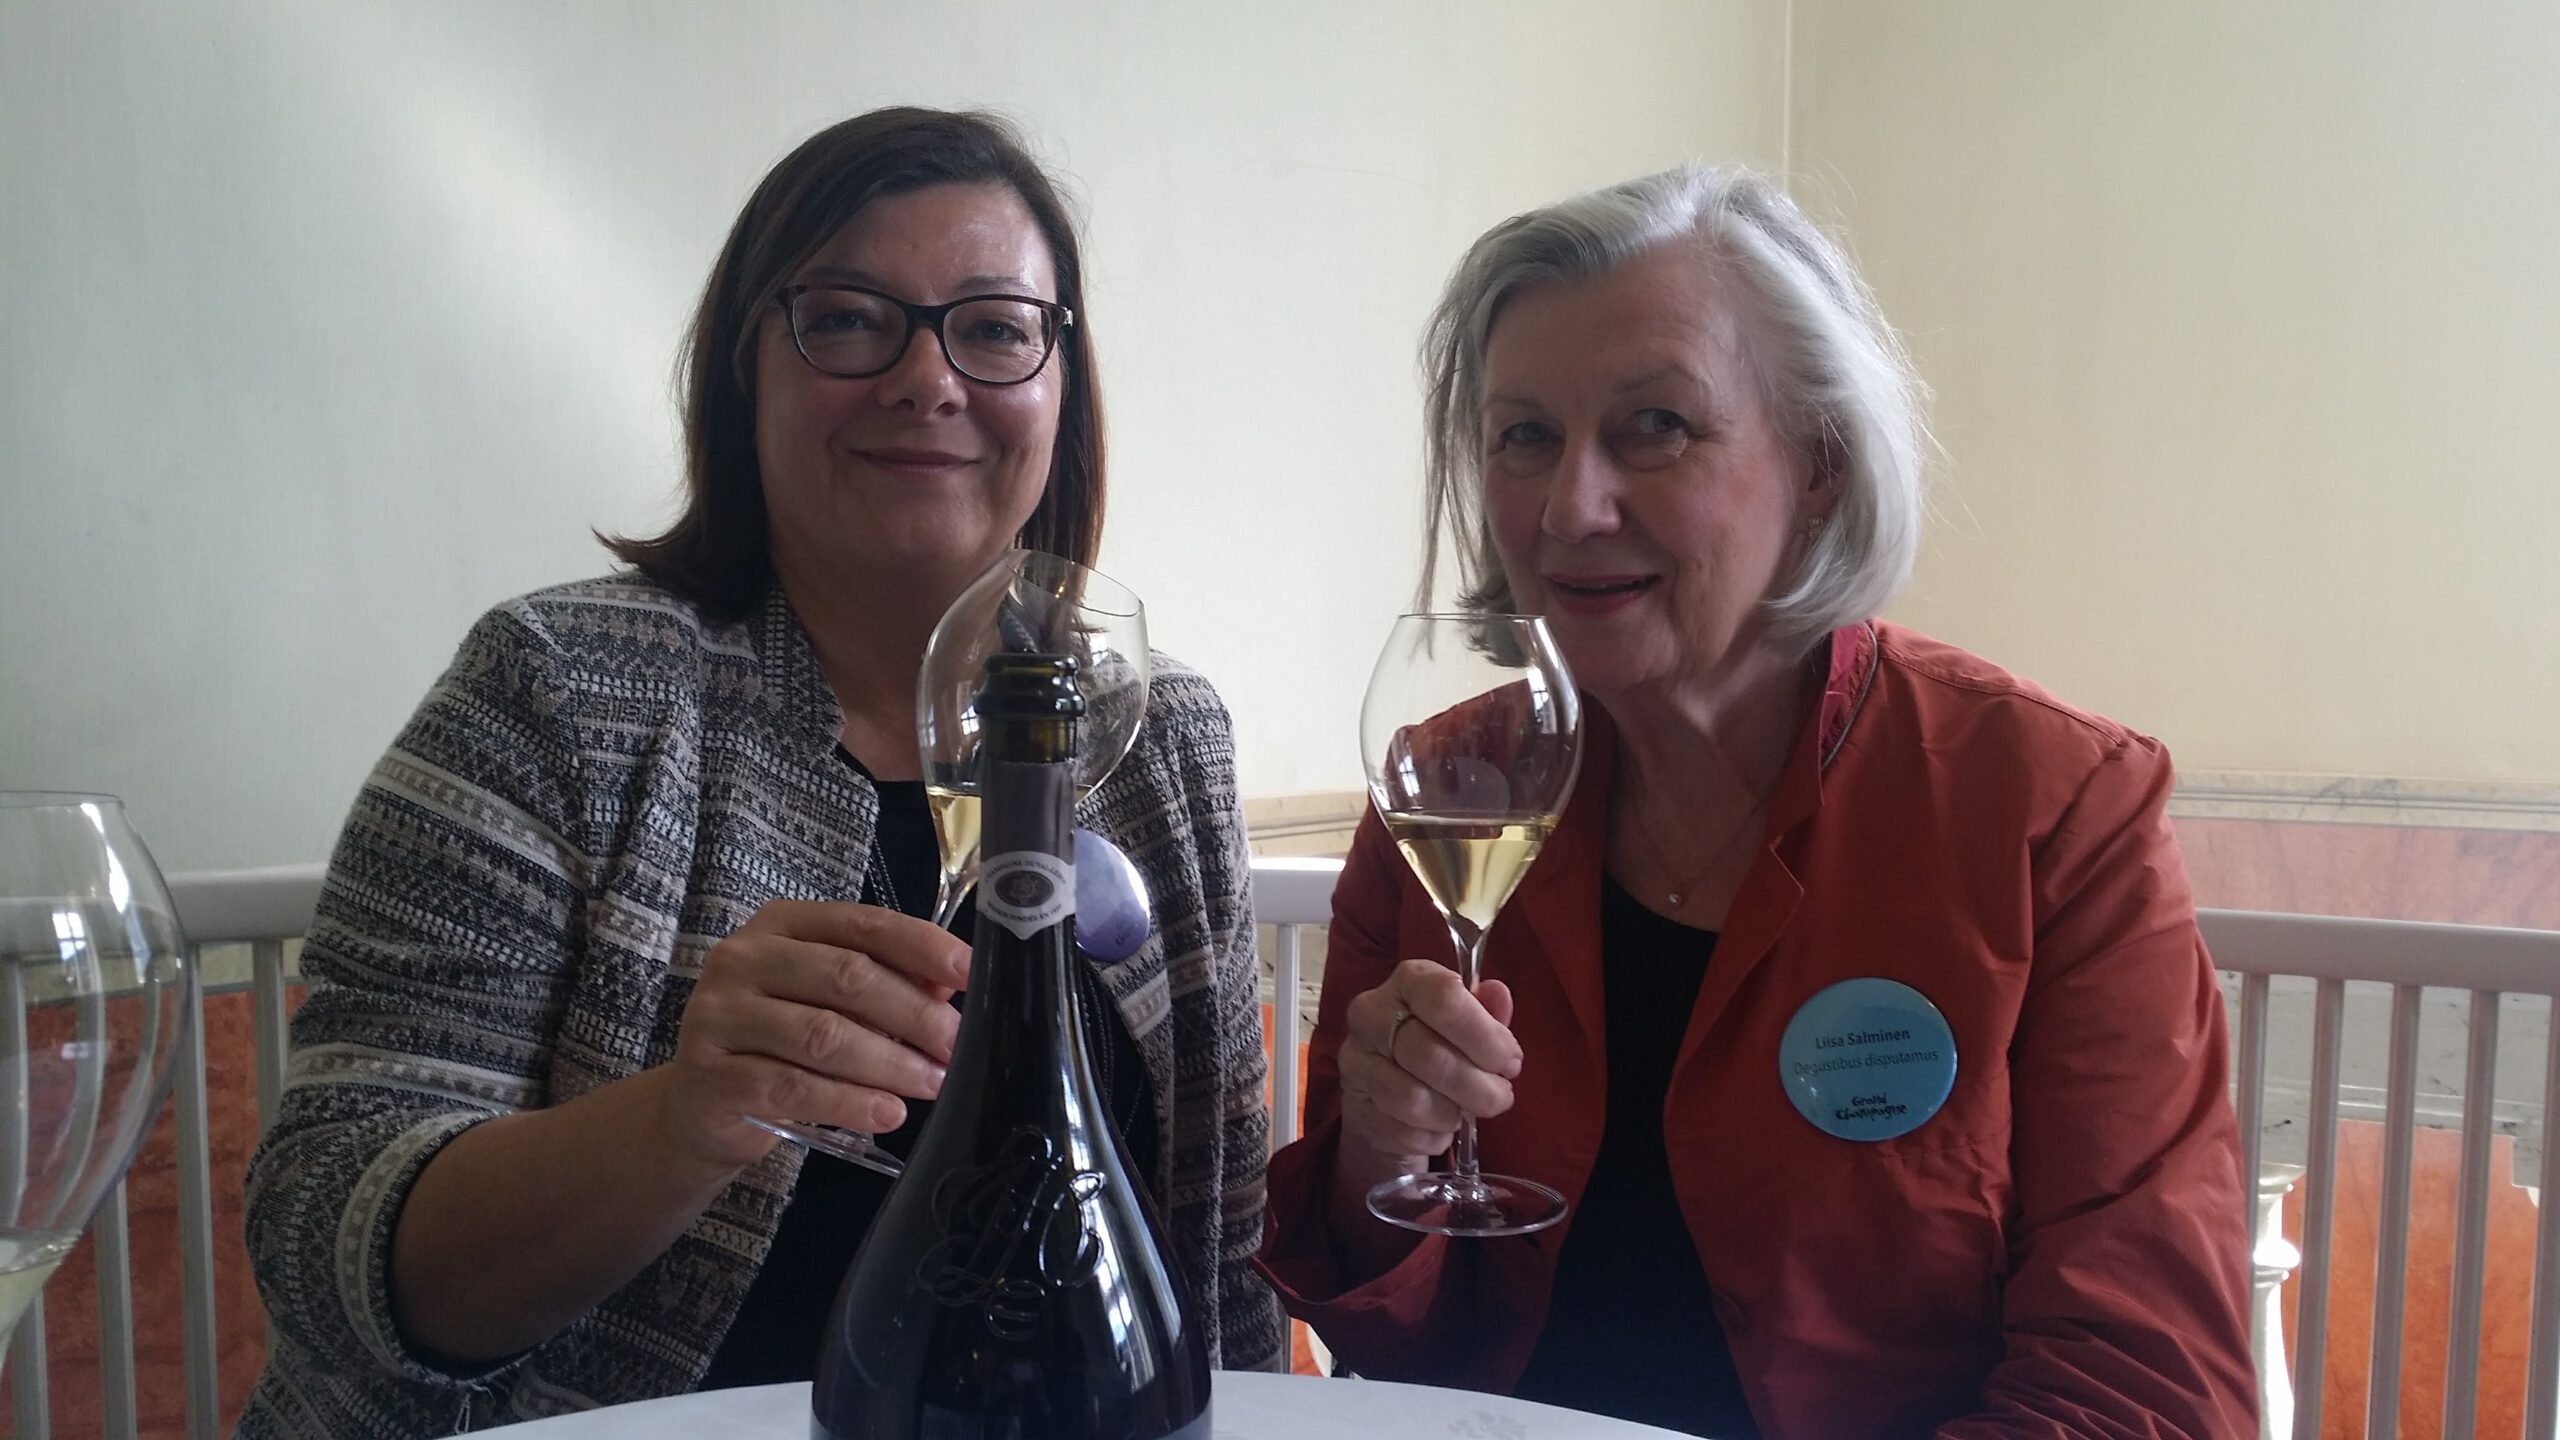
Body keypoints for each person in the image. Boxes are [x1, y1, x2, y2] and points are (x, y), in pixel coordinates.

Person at [239, 107, 1283, 1437]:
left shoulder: (1161, 735)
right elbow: (322, 1228)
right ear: (747, 374)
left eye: (994, 328)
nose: (927, 378)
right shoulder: (556, 689)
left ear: (1061, 384)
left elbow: (1216, 1268)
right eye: (847, 320)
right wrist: (681, 1122)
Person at [1256, 164, 2254, 1438]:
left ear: (1819, 464)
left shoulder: (2051, 811)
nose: (1571, 506)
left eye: (1654, 425)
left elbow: (2146, 1388)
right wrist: (1383, 1157)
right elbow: (1380, 1335)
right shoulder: (1444, 792)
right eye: (1525, 436)